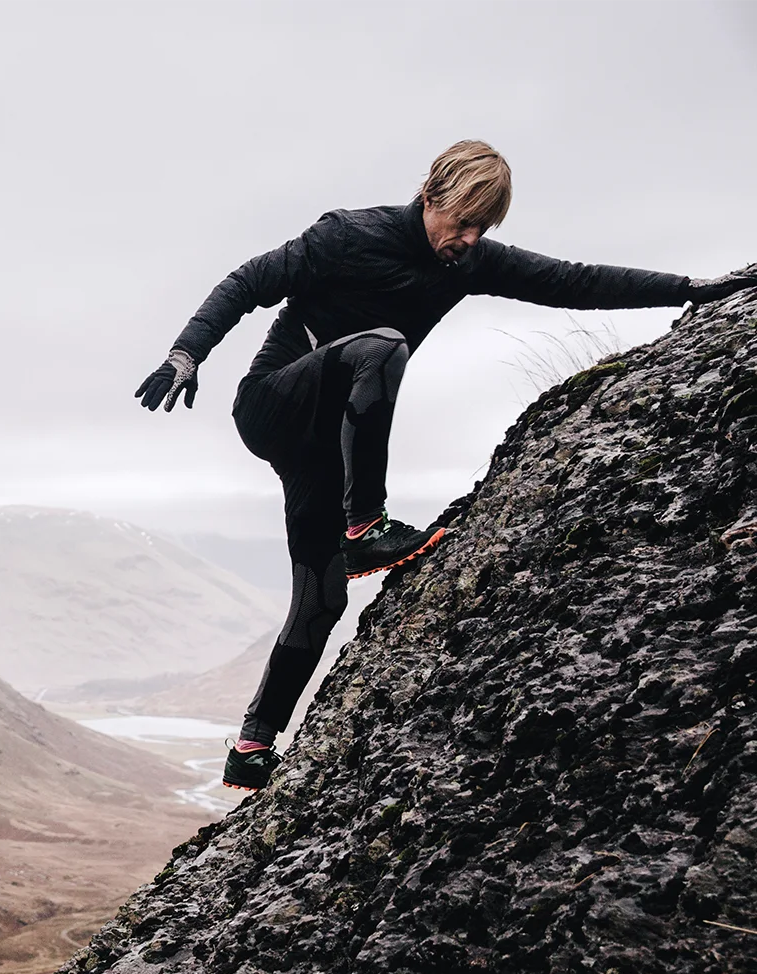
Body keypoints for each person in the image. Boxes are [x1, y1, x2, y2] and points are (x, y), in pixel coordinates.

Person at [135, 139, 757, 792]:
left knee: (322, 598)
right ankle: (366, 525)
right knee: (383, 346)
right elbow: (246, 283)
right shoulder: (349, 236)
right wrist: (186, 354)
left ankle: (252, 747)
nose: (468, 237)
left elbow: (573, 281)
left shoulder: (466, 263)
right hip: (274, 404)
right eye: (461, 219)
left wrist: (690, 289)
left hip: (321, 450)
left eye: (482, 227)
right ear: (430, 194)